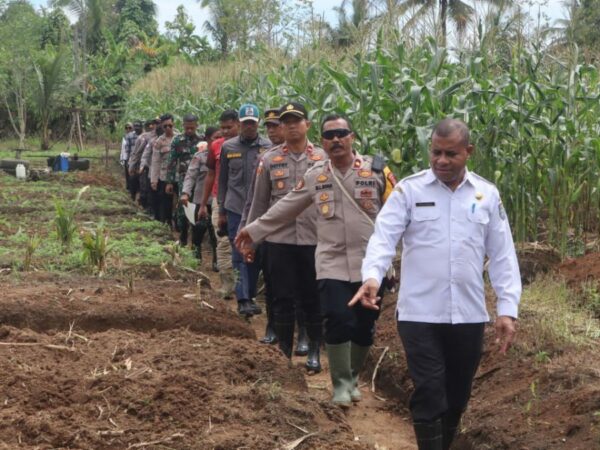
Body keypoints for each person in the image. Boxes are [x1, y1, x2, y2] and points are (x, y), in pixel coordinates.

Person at [350, 118, 521, 450]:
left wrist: (507, 309)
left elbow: (502, 255)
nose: (441, 161)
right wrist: (372, 276)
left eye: (451, 154)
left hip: (469, 315)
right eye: (436, 153)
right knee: (429, 389)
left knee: (457, 397)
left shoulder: (487, 195)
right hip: (419, 313)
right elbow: (383, 238)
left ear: (468, 152)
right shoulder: (409, 191)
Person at [235, 114, 396, 404]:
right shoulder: (316, 175)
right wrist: (253, 231)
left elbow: (400, 216)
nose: (336, 140)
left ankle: (352, 376)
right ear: (322, 141)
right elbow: (285, 207)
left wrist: (398, 261)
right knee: (336, 318)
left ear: (352, 137)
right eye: (330, 136)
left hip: (370, 263)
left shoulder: (377, 171)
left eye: (341, 134)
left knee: (363, 325)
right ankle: (341, 386)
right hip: (330, 260)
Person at [244, 102, 327, 372]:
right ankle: (283, 354)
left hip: (314, 240)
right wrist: (251, 238)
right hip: (279, 241)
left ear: (307, 125)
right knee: (281, 298)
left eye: (296, 120)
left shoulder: (323, 159)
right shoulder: (269, 160)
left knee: (312, 297)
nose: (290, 125)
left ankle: (314, 350)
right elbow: (259, 203)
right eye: (285, 121)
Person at [216, 103, 271, 317]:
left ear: (258, 124)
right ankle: (243, 299)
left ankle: (250, 295)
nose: (249, 127)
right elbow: (223, 182)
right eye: (246, 123)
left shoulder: (267, 148)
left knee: (255, 254)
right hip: (235, 208)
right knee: (238, 252)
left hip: (259, 211)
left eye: (253, 123)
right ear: (239, 124)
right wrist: (221, 210)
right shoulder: (228, 147)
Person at [239, 107, 284, 345]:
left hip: (305, 234)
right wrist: (248, 233)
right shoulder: (265, 159)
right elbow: (254, 201)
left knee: (303, 289)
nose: (272, 130)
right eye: (269, 126)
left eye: (277, 125)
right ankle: (272, 326)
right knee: (272, 284)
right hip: (270, 232)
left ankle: (306, 337)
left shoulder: (315, 158)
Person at [199, 111, 239, 299]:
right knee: (223, 241)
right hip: (220, 200)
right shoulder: (216, 146)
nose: (225, 131)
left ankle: (245, 287)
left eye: (229, 127)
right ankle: (226, 283)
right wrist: (202, 204)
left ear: (238, 125)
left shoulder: (252, 146)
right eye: (222, 127)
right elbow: (210, 175)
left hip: (243, 201)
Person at [180, 140, 218, 271]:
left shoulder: (225, 153)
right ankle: (196, 257)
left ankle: (216, 261)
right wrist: (185, 193)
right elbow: (190, 175)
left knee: (216, 232)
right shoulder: (199, 156)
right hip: (199, 199)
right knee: (198, 230)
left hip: (217, 200)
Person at [166, 114, 203, 246]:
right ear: (183, 126)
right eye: (187, 128)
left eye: (191, 128)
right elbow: (171, 161)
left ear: (196, 126)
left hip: (199, 180)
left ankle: (195, 240)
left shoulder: (202, 141)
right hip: (183, 179)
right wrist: (169, 181)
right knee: (183, 210)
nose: (189, 131)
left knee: (197, 209)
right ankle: (183, 237)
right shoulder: (177, 140)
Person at [150, 114, 178, 225]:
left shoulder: (179, 138)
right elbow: (155, 161)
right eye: (165, 126)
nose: (168, 128)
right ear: (162, 126)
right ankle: (167, 222)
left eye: (170, 126)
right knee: (166, 202)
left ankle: (178, 224)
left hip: (179, 176)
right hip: (164, 176)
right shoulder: (159, 142)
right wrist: (154, 180)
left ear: (173, 124)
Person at [128, 119, 156, 210]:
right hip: (145, 167)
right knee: (144, 187)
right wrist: (132, 166)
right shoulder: (143, 137)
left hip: (156, 168)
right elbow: (137, 153)